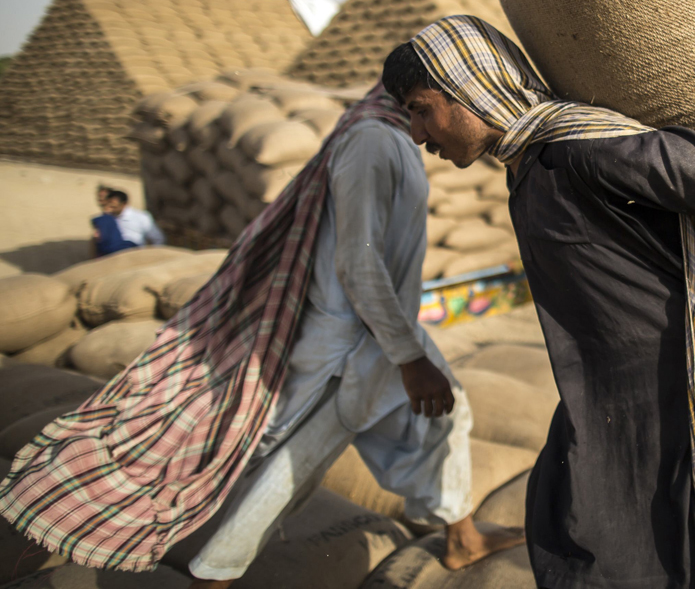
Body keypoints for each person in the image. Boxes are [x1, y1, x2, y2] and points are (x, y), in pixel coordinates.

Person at [382, 15, 695, 589]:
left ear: (470, 85)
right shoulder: (530, 168)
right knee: (566, 530)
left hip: (679, 409)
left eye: (422, 109)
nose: (418, 134)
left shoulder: (582, 153)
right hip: (604, 406)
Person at [0, 84, 521, 585]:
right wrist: (410, 358)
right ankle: (211, 578)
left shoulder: (381, 136)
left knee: (447, 419)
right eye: (420, 109)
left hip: (379, 331)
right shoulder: (372, 142)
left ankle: (462, 535)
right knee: (287, 475)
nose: (425, 129)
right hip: (353, 347)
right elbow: (358, 266)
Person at [101, 189, 166, 248]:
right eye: (109, 205)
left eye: (113, 206)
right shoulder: (107, 219)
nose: (110, 207)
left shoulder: (141, 217)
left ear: (124, 204)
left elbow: (158, 238)